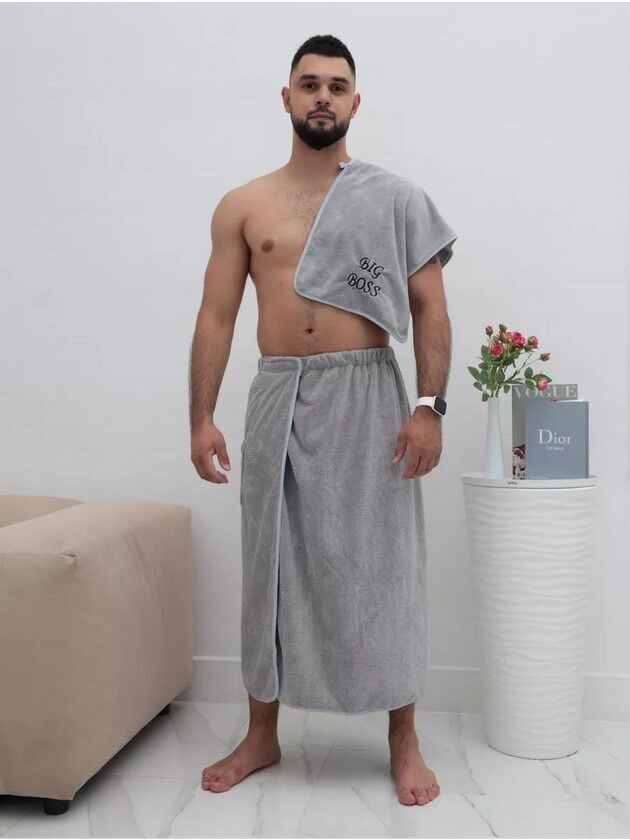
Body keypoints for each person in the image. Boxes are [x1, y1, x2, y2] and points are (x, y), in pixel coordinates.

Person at [189, 34, 453, 807]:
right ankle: (261, 733)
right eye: (309, 84)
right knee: (266, 560)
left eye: (337, 86)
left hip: (368, 392)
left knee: (384, 561)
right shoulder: (244, 206)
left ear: (355, 102)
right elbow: (216, 316)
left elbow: (430, 307)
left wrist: (429, 407)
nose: (323, 97)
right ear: (287, 97)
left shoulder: (395, 199)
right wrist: (201, 417)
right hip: (279, 391)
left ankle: (403, 738)